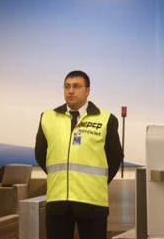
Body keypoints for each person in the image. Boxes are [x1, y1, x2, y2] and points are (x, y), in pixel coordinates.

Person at [35, 70, 123, 239]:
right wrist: (60, 176)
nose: (70, 91)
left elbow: (115, 157)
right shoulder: (47, 117)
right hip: (58, 202)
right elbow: (40, 154)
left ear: (88, 90)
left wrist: (96, 182)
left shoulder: (106, 119)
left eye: (76, 86)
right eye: (67, 86)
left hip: (92, 201)